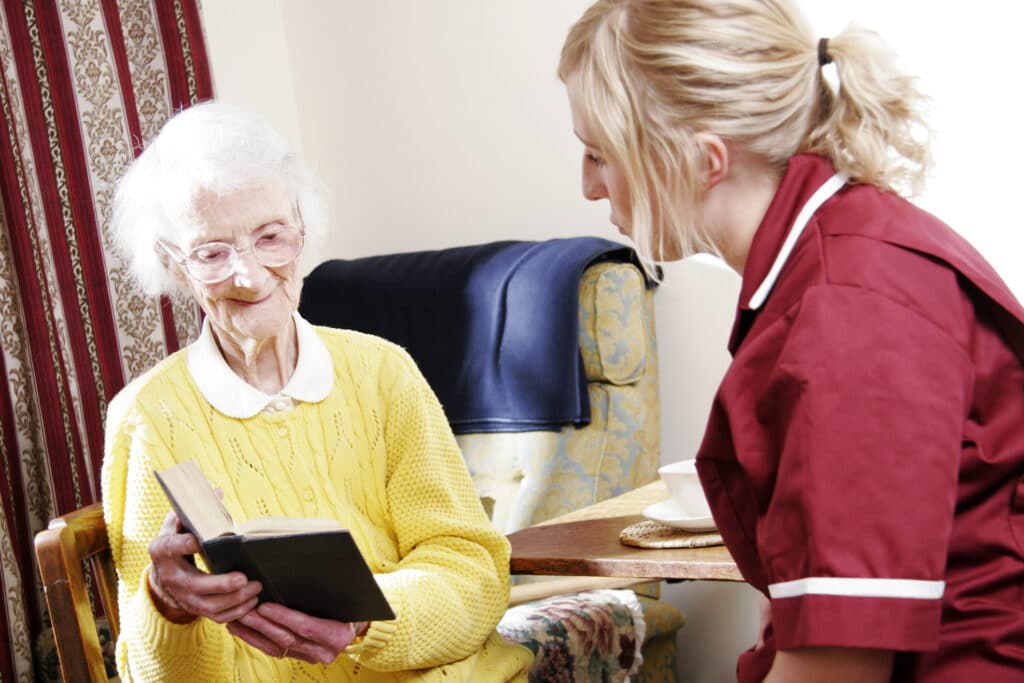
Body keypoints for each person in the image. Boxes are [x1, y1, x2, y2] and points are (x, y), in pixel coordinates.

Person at [558, 1, 1024, 681]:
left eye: (599, 153)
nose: (589, 185)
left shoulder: (852, 311)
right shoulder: (827, 266)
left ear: (701, 160)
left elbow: (838, 669)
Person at [102, 101, 532, 682]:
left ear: (302, 230)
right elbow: (155, 677)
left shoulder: (384, 373)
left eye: (270, 237)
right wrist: (167, 606)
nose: (250, 276)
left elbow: (475, 577)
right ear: (174, 267)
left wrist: (366, 621)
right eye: (212, 253)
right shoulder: (147, 418)